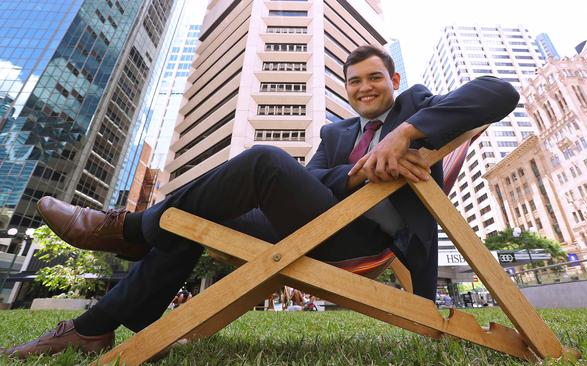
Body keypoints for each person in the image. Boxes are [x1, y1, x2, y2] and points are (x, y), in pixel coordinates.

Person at [1, 45, 518, 358]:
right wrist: (358, 170)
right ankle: (92, 329)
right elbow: (318, 178)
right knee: (189, 216)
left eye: (375, 78)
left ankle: (130, 230)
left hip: (365, 238)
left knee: (265, 159)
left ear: (394, 81)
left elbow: (498, 92)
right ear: (346, 88)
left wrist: (403, 134)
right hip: (316, 226)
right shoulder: (336, 133)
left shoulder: (420, 105)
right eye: (355, 81)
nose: (365, 88)